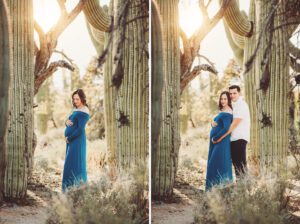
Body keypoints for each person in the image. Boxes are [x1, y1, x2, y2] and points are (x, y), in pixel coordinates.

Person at [212, 85, 250, 178]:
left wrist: (219, 138)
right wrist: (213, 121)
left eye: (234, 93)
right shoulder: (234, 105)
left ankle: (244, 187)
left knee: (240, 165)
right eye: (230, 93)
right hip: (233, 139)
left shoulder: (241, 105)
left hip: (240, 138)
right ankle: (241, 187)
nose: (232, 95)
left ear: (239, 93)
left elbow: (233, 125)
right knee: (236, 164)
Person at [62, 89, 90, 192]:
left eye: (77, 99)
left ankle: (78, 189)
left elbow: (80, 129)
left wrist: (69, 138)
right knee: (70, 164)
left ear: (82, 99)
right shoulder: (76, 109)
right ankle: (68, 189)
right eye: (74, 99)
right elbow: (71, 122)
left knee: (75, 164)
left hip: (77, 140)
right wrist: (66, 122)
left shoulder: (84, 110)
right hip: (71, 141)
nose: (75, 101)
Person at [206, 91, 233, 191]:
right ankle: (215, 191)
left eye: (225, 99)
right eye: (221, 99)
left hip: (220, 142)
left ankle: (217, 190)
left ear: (229, 100)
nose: (222, 101)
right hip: (217, 142)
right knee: (215, 163)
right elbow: (218, 124)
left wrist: (215, 138)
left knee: (216, 164)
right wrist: (212, 123)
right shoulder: (224, 110)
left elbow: (226, 128)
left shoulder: (228, 112)